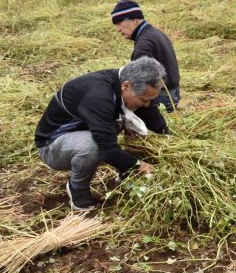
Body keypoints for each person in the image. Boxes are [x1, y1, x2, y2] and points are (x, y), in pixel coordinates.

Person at [34, 57, 168, 211]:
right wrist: (138, 165)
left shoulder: (125, 83)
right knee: (94, 145)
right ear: (126, 86)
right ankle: (78, 190)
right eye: (144, 99)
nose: (147, 104)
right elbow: (107, 147)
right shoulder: (98, 96)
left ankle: (127, 175)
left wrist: (166, 135)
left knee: (136, 126)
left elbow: (149, 112)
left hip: (84, 131)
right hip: (53, 146)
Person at [111, 0, 181, 110]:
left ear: (134, 20)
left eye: (119, 23)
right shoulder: (154, 33)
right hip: (171, 93)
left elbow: (139, 80)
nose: (118, 29)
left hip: (160, 97)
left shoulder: (145, 43)